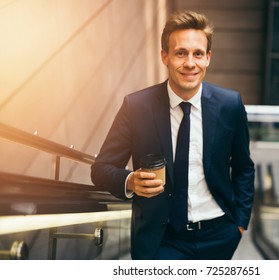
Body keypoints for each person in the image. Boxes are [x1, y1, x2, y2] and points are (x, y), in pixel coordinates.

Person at [91, 10, 255, 260]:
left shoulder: (230, 105)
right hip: (161, 239)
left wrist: (239, 224)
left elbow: (243, 167)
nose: (190, 63)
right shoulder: (136, 107)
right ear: (164, 56)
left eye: (198, 53)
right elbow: (101, 169)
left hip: (219, 235)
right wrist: (129, 181)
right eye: (181, 53)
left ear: (208, 58)